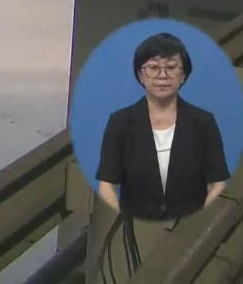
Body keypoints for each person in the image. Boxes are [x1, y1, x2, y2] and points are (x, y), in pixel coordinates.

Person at [96, 32, 229, 220]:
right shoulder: (120, 122)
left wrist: (198, 224)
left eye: (171, 67)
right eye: (153, 67)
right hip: (132, 230)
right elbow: (107, 184)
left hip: (188, 230)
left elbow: (217, 184)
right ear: (141, 75)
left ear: (183, 75)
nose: (162, 76)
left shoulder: (203, 122)